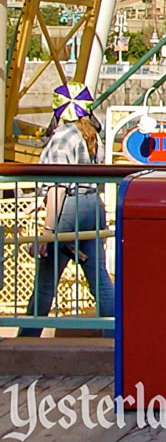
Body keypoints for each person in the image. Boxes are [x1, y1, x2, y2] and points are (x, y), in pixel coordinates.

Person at [21, 82, 115, 338]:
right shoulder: (92, 136)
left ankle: (26, 340)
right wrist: (40, 200)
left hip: (69, 208)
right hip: (93, 206)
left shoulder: (63, 136)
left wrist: (48, 230)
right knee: (100, 280)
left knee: (45, 282)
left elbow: (58, 185)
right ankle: (117, 338)